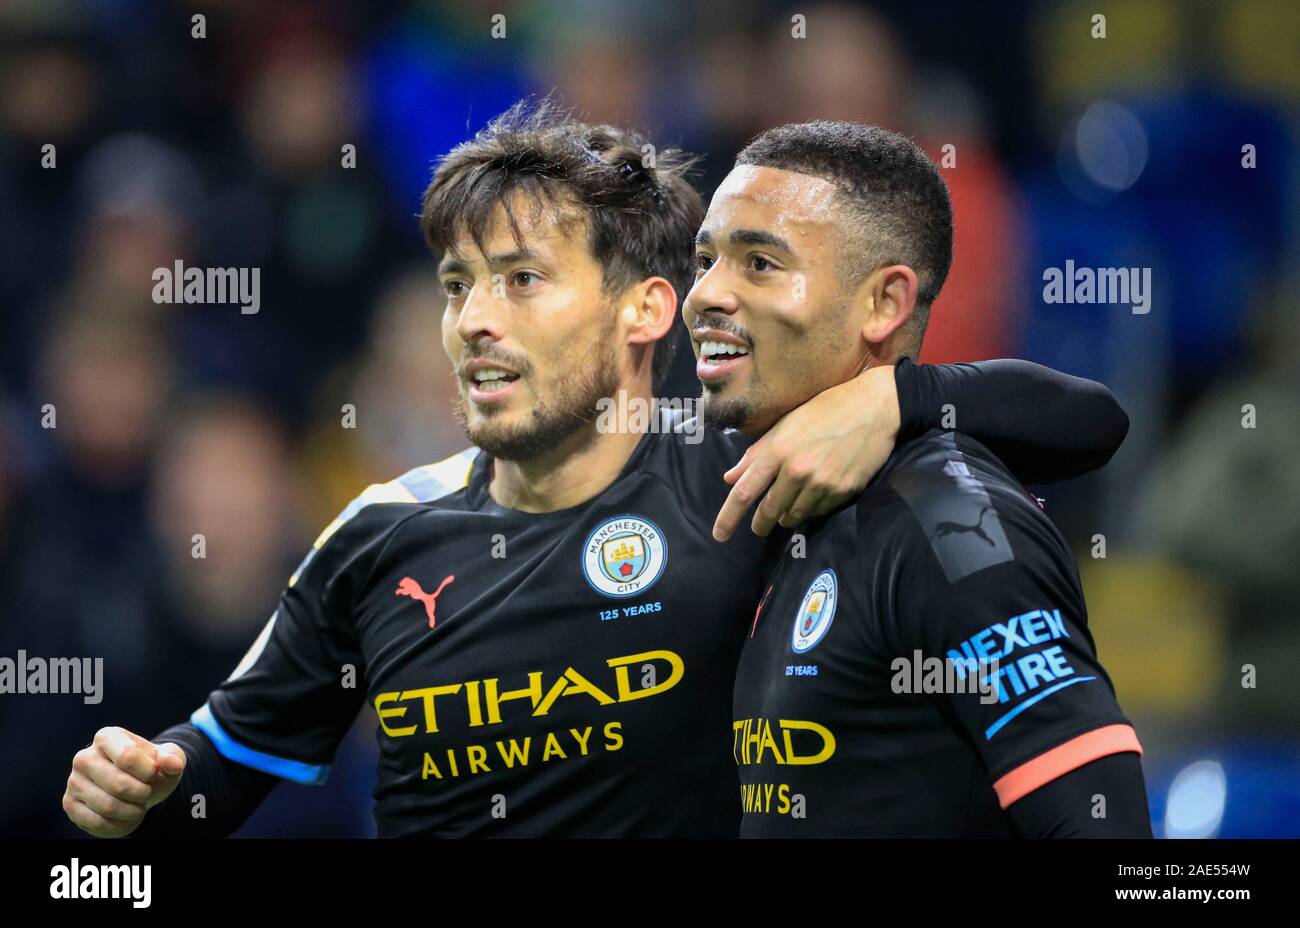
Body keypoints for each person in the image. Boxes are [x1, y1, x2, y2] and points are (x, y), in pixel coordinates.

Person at [62, 103, 1127, 838]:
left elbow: (1084, 422)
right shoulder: (377, 536)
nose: (475, 321)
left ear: (641, 310)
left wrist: (896, 394)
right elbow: (203, 782)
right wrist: (128, 794)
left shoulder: (756, 482)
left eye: (522, 280)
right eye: (455, 284)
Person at [700, 121, 1149, 837]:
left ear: (884, 304)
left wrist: (900, 394)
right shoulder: (769, 493)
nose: (707, 296)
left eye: (759, 264)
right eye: (705, 261)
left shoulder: (948, 522)